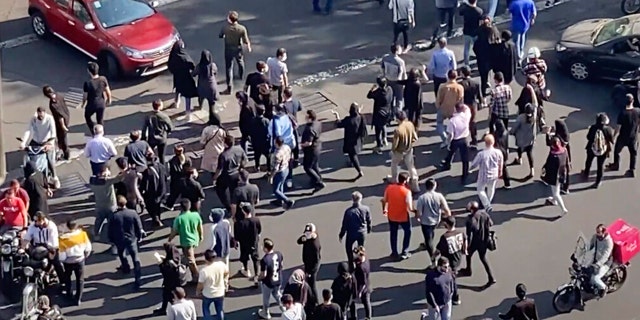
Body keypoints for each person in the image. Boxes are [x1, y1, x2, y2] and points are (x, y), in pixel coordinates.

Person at [108, 195, 145, 289]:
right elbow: (139, 226)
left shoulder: (114, 215)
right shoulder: (133, 213)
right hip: (131, 239)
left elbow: (110, 230)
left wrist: (111, 240)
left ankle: (125, 267)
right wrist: (139, 236)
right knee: (135, 258)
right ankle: (138, 278)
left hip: (119, 239)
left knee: (121, 253)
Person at [20, 107, 59, 188]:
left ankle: (55, 178)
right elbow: (28, 130)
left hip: (47, 141)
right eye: (39, 115)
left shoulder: (50, 119)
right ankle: (26, 177)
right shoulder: (33, 119)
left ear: (44, 113)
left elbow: (53, 132)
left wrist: (50, 144)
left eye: (42, 115)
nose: (40, 117)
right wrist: (23, 143)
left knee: (50, 159)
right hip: (35, 141)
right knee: (28, 158)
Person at [460, 201, 495, 286]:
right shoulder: (484, 214)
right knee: (483, 258)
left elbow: (469, 234)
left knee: (469, 254)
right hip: (485, 240)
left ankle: (468, 270)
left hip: (476, 241)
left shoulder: (470, 219)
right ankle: (491, 278)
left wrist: (467, 245)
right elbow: (491, 223)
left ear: (471, 209)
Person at [169, 199, 204, 283]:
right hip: (195, 239)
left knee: (190, 260)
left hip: (186, 242)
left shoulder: (179, 219)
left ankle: (196, 276)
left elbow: (174, 231)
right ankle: (187, 266)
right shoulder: (196, 215)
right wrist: (201, 236)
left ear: (180, 208)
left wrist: (169, 239)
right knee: (187, 256)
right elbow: (200, 226)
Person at [381, 172, 414, 260]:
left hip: (392, 215)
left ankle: (394, 252)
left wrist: (384, 209)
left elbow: (384, 200)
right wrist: (416, 211)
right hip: (403, 216)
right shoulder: (407, 192)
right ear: (406, 181)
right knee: (408, 232)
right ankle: (404, 252)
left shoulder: (390, 188)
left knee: (393, 233)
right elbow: (410, 208)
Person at [415, 179, 451, 260]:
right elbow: (446, 210)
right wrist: (447, 219)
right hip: (436, 220)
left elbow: (419, 213)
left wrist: (417, 217)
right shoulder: (439, 196)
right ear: (434, 186)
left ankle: (433, 258)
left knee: (428, 240)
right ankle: (426, 244)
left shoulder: (422, 198)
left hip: (425, 222)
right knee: (431, 232)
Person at [23, 212, 64, 283]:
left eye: (36, 221)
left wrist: (51, 252)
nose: (34, 223)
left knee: (57, 263)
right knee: (26, 261)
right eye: (34, 221)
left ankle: (63, 282)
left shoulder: (51, 227)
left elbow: (54, 243)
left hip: (50, 247)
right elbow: (27, 238)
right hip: (37, 247)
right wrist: (22, 248)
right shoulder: (33, 226)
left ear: (42, 220)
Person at [58, 219, 91, 306]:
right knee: (80, 279)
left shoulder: (63, 239)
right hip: (80, 260)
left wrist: (63, 260)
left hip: (68, 262)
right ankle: (78, 298)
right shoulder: (82, 235)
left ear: (68, 227)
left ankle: (68, 294)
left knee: (67, 278)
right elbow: (88, 248)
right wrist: (85, 256)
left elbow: (62, 254)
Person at [88, 166, 124, 245]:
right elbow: (119, 178)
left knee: (98, 221)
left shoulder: (92, 181)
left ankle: (96, 234)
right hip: (111, 206)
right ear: (103, 173)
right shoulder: (107, 181)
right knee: (111, 222)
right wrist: (126, 170)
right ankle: (112, 238)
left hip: (99, 205)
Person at [434, 216, 465, 305]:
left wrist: (434, 257)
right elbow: (465, 241)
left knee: (453, 279)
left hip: (449, 261)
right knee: (452, 275)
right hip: (458, 257)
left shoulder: (445, 237)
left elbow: (438, 250)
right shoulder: (460, 232)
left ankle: (456, 297)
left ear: (446, 224)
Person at [219, 11, 252, 95]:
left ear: (229, 19)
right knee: (240, 61)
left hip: (228, 49)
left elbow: (220, 35)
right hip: (238, 48)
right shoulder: (241, 28)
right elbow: (245, 40)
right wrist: (248, 46)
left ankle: (229, 87)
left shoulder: (225, 28)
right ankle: (240, 75)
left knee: (229, 67)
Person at [213, 136, 248, 212]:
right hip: (237, 174)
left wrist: (215, 178)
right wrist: (241, 167)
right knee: (234, 191)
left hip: (227, 175)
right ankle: (236, 205)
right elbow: (245, 160)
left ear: (226, 144)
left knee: (220, 190)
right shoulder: (239, 149)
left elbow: (219, 169)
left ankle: (229, 207)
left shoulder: (223, 155)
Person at [608, 94, 640, 177]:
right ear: (633, 101)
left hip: (623, 137)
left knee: (617, 151)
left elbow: (618, 127)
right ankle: (632, 170)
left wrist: (613, 137)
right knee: (633, 153)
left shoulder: (622, 113)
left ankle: (616, 165)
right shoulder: (637, 111)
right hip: (633, 137)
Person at [332, 103, 367, 178]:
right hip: (357, 140)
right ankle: (351, 163)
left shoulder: (348, 120)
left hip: (350, 141)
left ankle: (359, 171)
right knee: (354, 152)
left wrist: (337, 116)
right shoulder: (361, 118)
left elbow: (339, 124)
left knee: (353, 156)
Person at [470, 134, 503, 212]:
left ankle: (487, 204)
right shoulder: (498, 152)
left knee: (480, 189)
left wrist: (470, 169)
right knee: (491, 189)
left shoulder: (481, 154)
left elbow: (474, 164)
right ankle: (488, 201)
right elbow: (501, 162)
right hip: (494, 174)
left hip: (483, 175)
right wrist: (500, 171)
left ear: (485, 143)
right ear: (493, 142)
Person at [339, 191, 372, 267]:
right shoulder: (366, 209)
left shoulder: (349, 211)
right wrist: (369, 228)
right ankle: (360, 262)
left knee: (348, 248)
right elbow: (369, 220)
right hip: (362, 232)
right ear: (360, 199)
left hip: (351, 233)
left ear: (352, 199)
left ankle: (351, 263)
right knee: (361, 248)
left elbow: (345, 224)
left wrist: (341, 234)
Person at [582, 113, 615, 188]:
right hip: (603, 150)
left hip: (592, 148)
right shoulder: (608, 129)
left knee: (588, 161)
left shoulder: (593, 127)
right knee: (600, 165)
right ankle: (598, 182)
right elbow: (611, 140)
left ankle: (586, 173)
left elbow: (588, 137)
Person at [441, 103, 471, 183]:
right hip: (464, 139)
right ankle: (465, 175)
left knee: (451, 152)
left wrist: (448, 142)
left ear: (455, 109)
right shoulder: (466, 116)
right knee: (465, 159)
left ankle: (447, 164)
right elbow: (467, 109)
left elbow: (451, 134)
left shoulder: (452, 120)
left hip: (455, 140)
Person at [390, 111, 419, 191]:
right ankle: (415, 184)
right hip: (409, 149)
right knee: (411, 166)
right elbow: (415, 137)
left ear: (398, 119)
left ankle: (394, 180)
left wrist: (392, 151)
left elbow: (395, 144)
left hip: (399, 151)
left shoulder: (397, 130)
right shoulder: (410, 124)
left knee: (394, 164)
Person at [269, 103, 297, 185]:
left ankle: (278, 178)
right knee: (288, 159)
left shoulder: (276, 121)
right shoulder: (288, 116)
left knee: (278, 161)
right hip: (290, 142)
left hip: (281, 143)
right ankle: (289, 178)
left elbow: (276, 133)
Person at [168, 40, 198, 119]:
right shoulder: (184, 57)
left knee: (178, 89)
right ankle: (188, 113)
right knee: (187, 95)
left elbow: (170, 66)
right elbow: (192, 66)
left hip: (177, 77)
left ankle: (176, 102)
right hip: (186, 78)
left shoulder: (173, 56)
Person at [541, 136, 570, 216]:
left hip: (554, 177)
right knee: (555, 190)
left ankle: (563, 209)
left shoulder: (554, 155)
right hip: (562, 173)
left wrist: (544, 171)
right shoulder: (564, 150)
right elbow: (567, 161)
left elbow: (549, 166)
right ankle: (554, 200)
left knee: (556, 193)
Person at [234, 204, 262, 286]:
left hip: (244, 243)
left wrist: (236, 242)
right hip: (254, 243)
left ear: (243, 211)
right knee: (255, 258)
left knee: (244, 257)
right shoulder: (256, 220)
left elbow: (237, 236)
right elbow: (259, 230)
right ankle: (256, 275)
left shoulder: (238, 223)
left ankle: (246, 270)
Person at [435, 69, 464, 148]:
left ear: (447, 76)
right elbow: (461, 99)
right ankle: (453, 139)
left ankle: (445, 139)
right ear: (456, 76)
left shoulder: (442, 86)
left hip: (443, 108)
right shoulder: (460, 87)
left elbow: (438, 98)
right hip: (454, 110)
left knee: (439, 124)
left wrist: (438, 106)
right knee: (454, 126)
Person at [197, 249, 228, 320]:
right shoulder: (221, 264)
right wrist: (225, 281)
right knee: (219, 309)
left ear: (205, 258)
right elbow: (226, 272)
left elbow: (200, 284)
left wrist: (198, 291)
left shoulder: (204, 271)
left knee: (206, 309)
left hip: (208, 294)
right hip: (220, 293)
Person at [81, 61, 111, 132]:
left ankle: (93, 129)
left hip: (91, 105)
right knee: (100, 119)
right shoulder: (103, 79)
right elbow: (108, 91)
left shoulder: (87, 83)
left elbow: (85, 96)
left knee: (87, 116)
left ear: (89, 71)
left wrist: (83, 104)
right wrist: (109, 99)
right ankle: (101, 132)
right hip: (101, 103)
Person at [258, 238, 284, 319]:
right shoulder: (279, 254)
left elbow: (264, 274)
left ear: (266, 248)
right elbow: (281, 265)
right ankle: (283, 306)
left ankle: (266, 313)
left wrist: (258, 278)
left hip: (268, 283)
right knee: (277, 294)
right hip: (278, 279)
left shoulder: (265, 260)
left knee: (266, 298)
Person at [154, 243, 184, 315]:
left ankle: (177, 311)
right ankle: (163, 309)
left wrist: (160, 262)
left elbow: (164, 271)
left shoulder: (168, 264)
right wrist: (164, 259)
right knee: (166, 296)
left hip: (169, 283)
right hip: (176, 281)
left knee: (170, 297)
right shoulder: (177, 257)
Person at [474, 15, 500, 95]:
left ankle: (484, 93)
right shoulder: (494, 32)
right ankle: (496, 90)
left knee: (483, 77)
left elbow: (475, 48)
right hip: (493, 59)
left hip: (482, 60)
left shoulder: (479, 40)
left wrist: (478, 55)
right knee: (495, 75)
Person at [43, 85, 70, 161]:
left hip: (61, 123)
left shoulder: (52, 105)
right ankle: (61, 148)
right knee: (62, 137)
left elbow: (59, 117)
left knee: (62, 137)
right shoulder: (59, 95)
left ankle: (66, 154)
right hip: (67, 115)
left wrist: (63, 126)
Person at [142, 99, 174, 164]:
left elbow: (144, 128)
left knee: (150, 154)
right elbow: (170, 126)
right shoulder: (164, 116)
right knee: (161, 156)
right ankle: (162, 169)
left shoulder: (148, 116)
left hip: (152, 138)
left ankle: (152, 166)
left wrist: (143, 138)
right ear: (159, 106)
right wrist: (167, 132)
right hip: (162, 138)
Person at [510, 104, 537, 178]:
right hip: (530, 139)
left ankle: (520, 159)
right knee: (529, 153)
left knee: (519, 149)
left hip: (521, 138)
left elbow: (515, 127)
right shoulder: (534, 117)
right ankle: (532, 170)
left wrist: (511, 132)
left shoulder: (521, 117)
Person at [141, 154, 169, 226]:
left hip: (152, 192)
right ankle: (158, 218)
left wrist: (142, 192)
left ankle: (156, 218)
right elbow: (165, 177)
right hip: (162, 190)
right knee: (158, 205)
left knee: (150, 206)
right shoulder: (161, 166)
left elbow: (145, 185)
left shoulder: (147, 171)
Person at [368, 76, 394, 153]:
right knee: (384, 125)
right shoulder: (389, 89)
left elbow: (369, 96)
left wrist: (372, 88)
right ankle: (385, 138)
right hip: (387, 111)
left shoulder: (378, 93)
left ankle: (379, 145)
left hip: (379, 113)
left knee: (378, 130)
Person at [207, 208, 232, 289]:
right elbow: (229, 233)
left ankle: (221, 285)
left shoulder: (213, 227)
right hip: (226, 248)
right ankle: (226, 283)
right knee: (226, 266)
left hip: (217, 252)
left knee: (218, 268)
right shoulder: (227, 222)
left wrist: (208, 250)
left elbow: (213, 243)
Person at [296, 223, 321, 300]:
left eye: (308, 233)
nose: (306, 234)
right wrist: (302, 239)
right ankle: (310, 298)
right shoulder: (307, 238)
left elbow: (316, 260)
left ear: (313, 232)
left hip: (312, 267)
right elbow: (298, 241)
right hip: (307, 263)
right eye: (306, 233)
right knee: (308, 283)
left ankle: (315, 301)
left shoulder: (315, 245)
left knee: (312, 285)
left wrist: (311, 272)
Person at [300, 110, 324, 189]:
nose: (305, 118)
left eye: (306, 117)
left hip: (311, 150)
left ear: (310, 118)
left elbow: (309, 143)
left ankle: (318, 181)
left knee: (307, 167)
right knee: (314, 164)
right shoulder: (318, 123)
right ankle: (318, 178)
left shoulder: (309, 129)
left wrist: (301, 145)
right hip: (317, 147)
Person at [458, 66, 482, 145]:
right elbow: (479, 96)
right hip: (473, 104)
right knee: (473, 122)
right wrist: (481, 103)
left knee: (463, 122)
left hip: (464, 105)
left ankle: (462, 139)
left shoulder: (460, 84)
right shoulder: (476, 83)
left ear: (462, 73)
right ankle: (474, 139)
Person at [270, 136, 295, 210]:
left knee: (276, 190)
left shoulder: (277, 154)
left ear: (277, 143)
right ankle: (279, 200)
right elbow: (291, 156)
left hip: (279, 172)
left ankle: (288, 201)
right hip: (286, 169)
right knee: (281, 185)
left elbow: (275, 168)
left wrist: (271, 176)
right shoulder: (287, 147)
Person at [589, 224, 614, 298]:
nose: (597, 233)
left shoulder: (609, 242)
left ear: (604, 232)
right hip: (596, 259)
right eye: (596, 231)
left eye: (599, 232)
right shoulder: (595, 237)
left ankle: (604, 288)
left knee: (595, 278)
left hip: (605, 263)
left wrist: (598, 264)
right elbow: (590, 245)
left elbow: (605, 256)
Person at [381, 45, 407, 115]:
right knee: (399, 98)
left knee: (390, 98)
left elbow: (383, 68)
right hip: (397, 82)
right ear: (397, 50)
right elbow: (402, 72)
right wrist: (403, 81)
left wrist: (384, 76)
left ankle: (391, 113)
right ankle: (398, 114)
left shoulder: (385, 58)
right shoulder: (400, 61)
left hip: (388, 80)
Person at [193, 50, 219, 118]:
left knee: (201, 98)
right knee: (211, 104)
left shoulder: (199, 66)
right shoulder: (212, 65)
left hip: (202, 87)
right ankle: (211, 118)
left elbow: (193, 74)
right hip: (211, 87)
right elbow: (216, 72)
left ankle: (200, 106)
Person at [200, 113, 227, 178]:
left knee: (211, 167)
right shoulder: (221, 130)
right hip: (220, 150)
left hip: (210, 151)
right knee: (219, 166)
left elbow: (202, 141)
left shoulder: (206, 129)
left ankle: (214, 178)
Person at [459, 0, 483, 67]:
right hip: (475, 32)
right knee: (478, 48)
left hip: (466, 31)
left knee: (466, 48)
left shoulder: (465, 9)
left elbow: (460, 12)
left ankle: (466, 64)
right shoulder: (479, 11)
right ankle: (479, 61)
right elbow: (481, 22)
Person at [350, 246, 372, 320]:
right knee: (366, 302)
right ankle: (368, 316)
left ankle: (365, 317)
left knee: (362, 301)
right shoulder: (365, 259)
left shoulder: (361, 268)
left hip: (361, 287)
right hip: (367, 285)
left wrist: (359, 292)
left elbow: (363, 282)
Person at [251, 105, 272, 172]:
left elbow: (251, 131)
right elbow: (269, 131)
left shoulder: (253, 120)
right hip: (265, 141)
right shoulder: (266, 121)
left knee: (257, 155)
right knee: (268, 156)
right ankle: (269, 168)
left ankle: (257, 167)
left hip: (256, 142)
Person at [494, 120, 512, 189]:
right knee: (504, 166)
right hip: (505, 151)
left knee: (502, 167)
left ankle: (507, 183)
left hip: (498, 152)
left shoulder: (496, 134)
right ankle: (506, 183)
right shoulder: (506, 132)